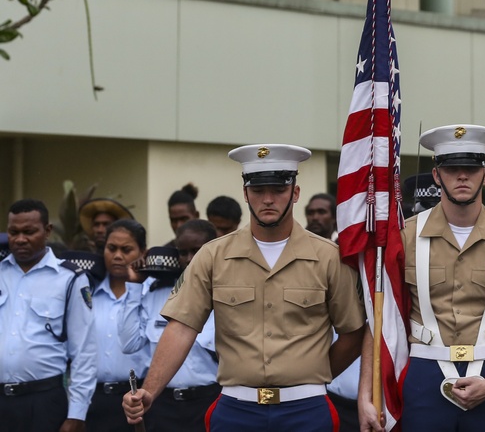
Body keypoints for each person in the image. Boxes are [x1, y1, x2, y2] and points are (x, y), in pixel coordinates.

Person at [123, 143, 366, 432]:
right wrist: (150, 390)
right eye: (258, 190)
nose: (267, 199)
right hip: (236, 410)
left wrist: (314, 374)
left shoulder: (328, 257)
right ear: (245, 194)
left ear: (295, 192)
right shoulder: (212, 255)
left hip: (306, 410)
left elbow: (353, 331)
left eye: (278, 190)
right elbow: (181, 327)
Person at [360, 124, 485, 432]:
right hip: (424, 375)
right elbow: (381, 320)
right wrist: (365, 395)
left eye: (470, 168)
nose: (461, 176)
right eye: (452, 167)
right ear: (436, 175)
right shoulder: (404, 238)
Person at [0, 199, 98, 432]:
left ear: (47, 231)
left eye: (29, 231)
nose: (20, 239)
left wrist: (77, 413)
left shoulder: (69, 278)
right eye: (14, 232)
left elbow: (84, 351)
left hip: (44, 401)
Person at [119, 220, 220, 431]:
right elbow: (129, 344)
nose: (190, 259)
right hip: (162, 405)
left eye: (197, 250)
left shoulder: (226, 296)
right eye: (183, 252)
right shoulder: (159, 294)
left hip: (208, 402)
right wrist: (135, 286)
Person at [87, 219, 149, 432]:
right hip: (93, 398)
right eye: (111, 248)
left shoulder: (151, 293)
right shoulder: (89, 293)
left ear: (142, 252)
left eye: (126, 249)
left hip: (137, 398)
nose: (118, 256)